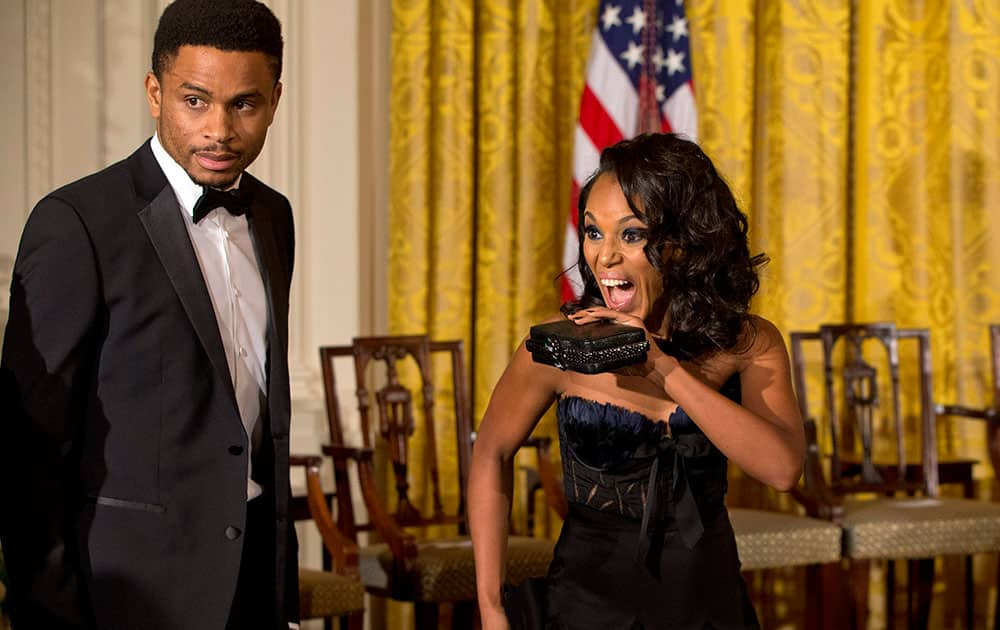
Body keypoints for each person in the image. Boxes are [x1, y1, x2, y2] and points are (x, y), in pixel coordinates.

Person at [0, 1, 299, 628]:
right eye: (195, 101)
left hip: (250, 585)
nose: (219, 128)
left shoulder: (273, 216)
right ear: (154, 92)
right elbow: (29, 455)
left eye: (244, 104)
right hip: (127, 595)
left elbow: (257, 416)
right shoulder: (76, 223)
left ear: (274, 99)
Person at [468, 133, 805, 629]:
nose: (604, 258)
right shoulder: (560, 349)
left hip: (707, 606)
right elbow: (490, 453)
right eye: (592, 232)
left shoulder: (747, 343)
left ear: (684, 242)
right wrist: (491, 607)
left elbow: (782, 470)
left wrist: (663, 369)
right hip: (586, 608)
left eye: (630, 234)